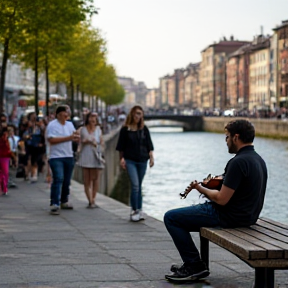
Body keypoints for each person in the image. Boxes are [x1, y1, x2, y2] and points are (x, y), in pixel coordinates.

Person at [163, 119, 268, 283]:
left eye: (227, 137)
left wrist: (200, 189)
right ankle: (194, 264)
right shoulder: (258, 159)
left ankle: (194, 265)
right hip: (248, 216)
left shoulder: (238, 162)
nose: (226, 141)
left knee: (171, 217)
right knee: (184, 215)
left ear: (236, 137)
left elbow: (222, 199)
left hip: (227, 216)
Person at [116, 105, 154, 222]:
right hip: (130, 160)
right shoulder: (125, 129)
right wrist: (121, 159)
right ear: (132, 114)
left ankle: (140, 209)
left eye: (141, 114)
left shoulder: (144, 129)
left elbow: (149, 145)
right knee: (135, 185)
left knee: (139, 186)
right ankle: (134, 210)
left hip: (143, 160)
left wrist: (151, 157)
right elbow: (121, 147)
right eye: (137, 113)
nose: (139, 116)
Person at [46, 105, 80, 215]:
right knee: (58, 178)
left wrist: (76, 138)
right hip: (56, 157)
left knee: (66, 180)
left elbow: (74, 137)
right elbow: (51, 140)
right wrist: (69, 138)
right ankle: (54, 203)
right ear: (59, 114)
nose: (68, 114)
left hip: (68, 155)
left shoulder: (70, 124)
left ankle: (64, 200)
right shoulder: (52, 125)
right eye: (66, 112)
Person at [77, 112, 104, 208]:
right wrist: (84, 141)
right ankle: (90, 200)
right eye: (91, 117)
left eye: (95, 118)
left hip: (95, 155)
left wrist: (99, 146)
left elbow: (101, 142)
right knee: (86, 179)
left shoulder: (98, 130)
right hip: (85, 154)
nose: (93, 120)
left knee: (95, 178)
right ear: (88, 118)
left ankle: (93, 199)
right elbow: (77, 139)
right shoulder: (82, 129)